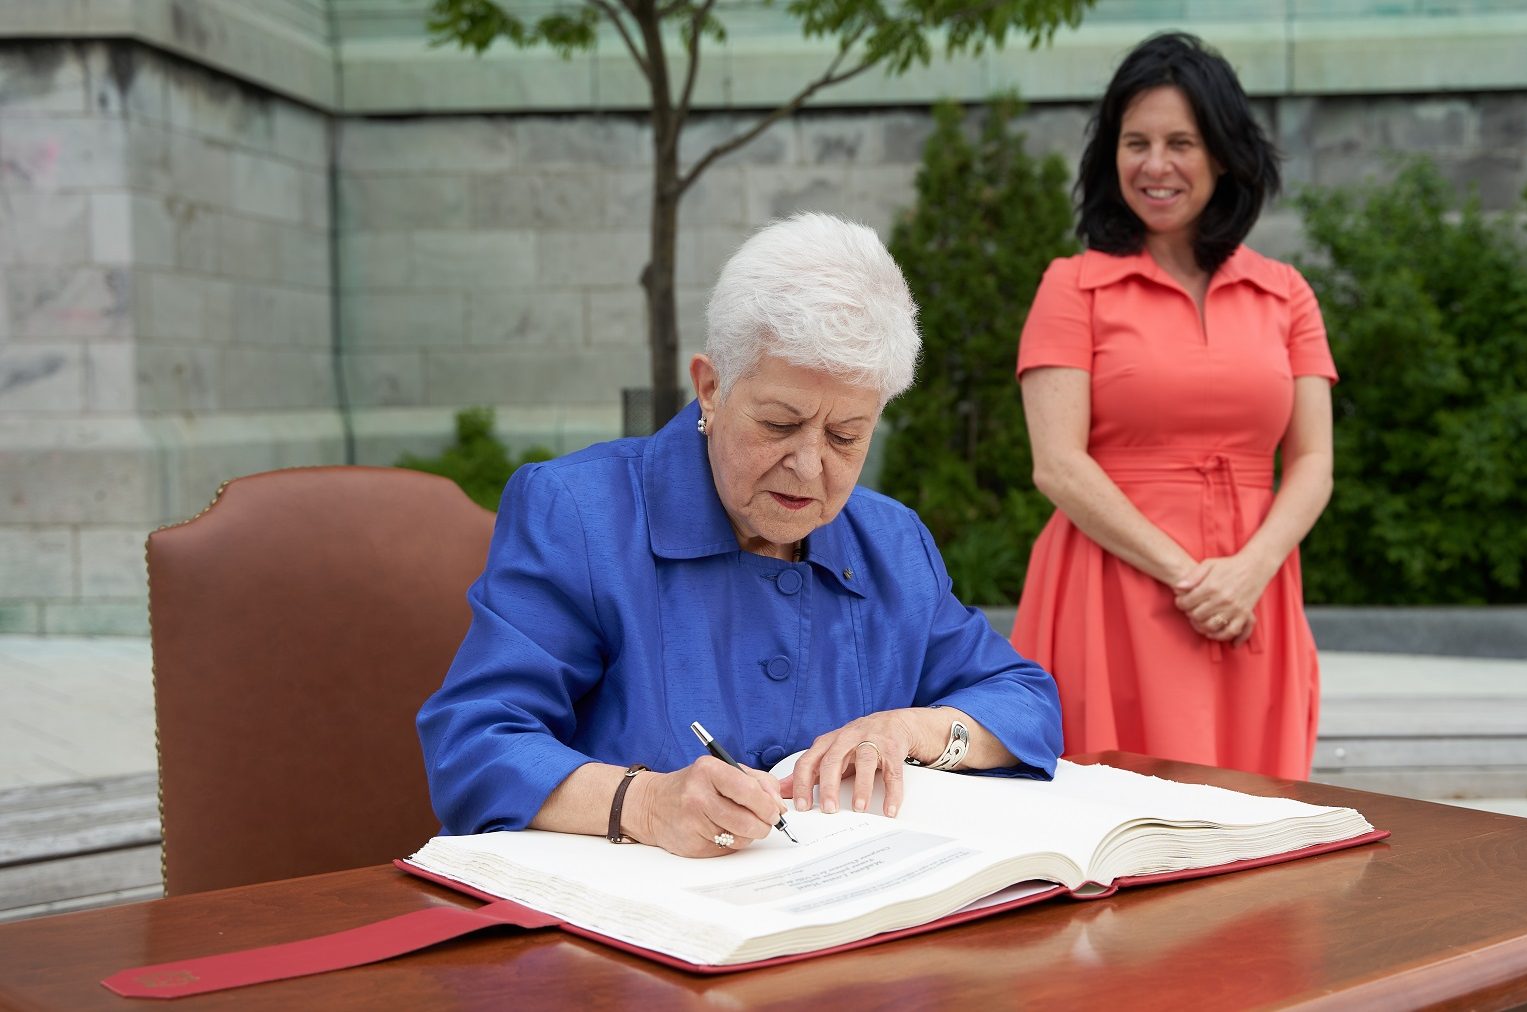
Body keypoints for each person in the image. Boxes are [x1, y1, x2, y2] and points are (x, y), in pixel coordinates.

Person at [418, 213, 1062, 858]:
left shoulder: (890, 541)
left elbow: (1026, 702)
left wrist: (912, 731)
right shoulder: (582, 515)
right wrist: (641, 803)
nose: (810, 467)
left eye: (846, 436)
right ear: (710, 388)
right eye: (780, 424)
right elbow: (475, 742)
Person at [1010, 32, 1336, 780]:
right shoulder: (1073, 285)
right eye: (1136, 142)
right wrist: (1193, 578)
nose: (1156, 165)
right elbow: (1057, 464)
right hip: (1114, 589)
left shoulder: (1285, 292)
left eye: (1181, 142)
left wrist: (1248, 571)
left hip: (1254, 592)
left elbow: (1314, 461)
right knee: (1120, 818)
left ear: (1222, 154)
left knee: (1261, 818)